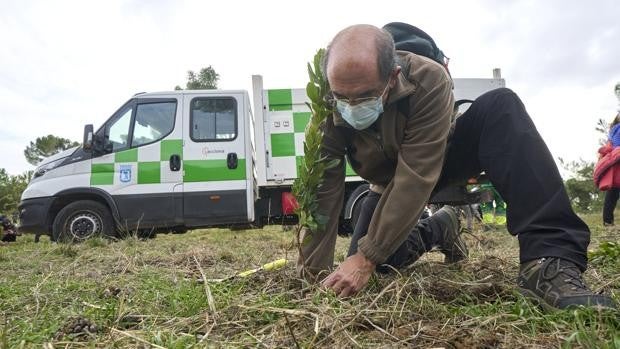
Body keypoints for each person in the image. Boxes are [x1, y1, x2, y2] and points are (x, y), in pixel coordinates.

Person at [297, 24, 616, 310]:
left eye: (365, 96)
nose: (352, 107)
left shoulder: (428, 78)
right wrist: (312, 275)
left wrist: (365, 257)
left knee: (500, 106)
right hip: (385, 182)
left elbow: (416, 175)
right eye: (343, 97)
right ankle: (441, 227)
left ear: (392, 76)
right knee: (382, 263)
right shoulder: (328, 100)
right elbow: (324, 188)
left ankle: (548, 262)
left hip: (441, 158)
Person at [602, 113, 620, 226]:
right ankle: (608, 220)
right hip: (617, 158)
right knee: (613, 192)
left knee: (613, 191)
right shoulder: (617, 129)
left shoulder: (613, 129)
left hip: (613, 161)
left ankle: (607, 221)